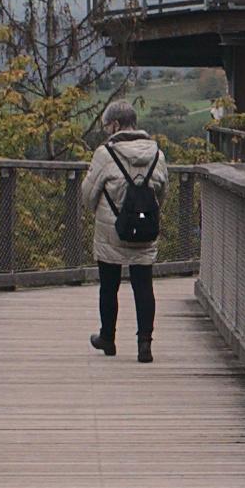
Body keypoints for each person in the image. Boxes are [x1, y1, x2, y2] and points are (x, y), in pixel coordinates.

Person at [80, 104, 168, 361]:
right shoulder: (157, 154)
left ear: (116, 125)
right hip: (144, 228)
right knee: (144, 286)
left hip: (112, 231)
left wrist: (106, 211)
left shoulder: (104, 154)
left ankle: (107, 338)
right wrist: (143, 214)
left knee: (109, 286)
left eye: (107, 126)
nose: (106, 131)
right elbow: (162, 193)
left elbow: (88, 195)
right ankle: (144, 344)